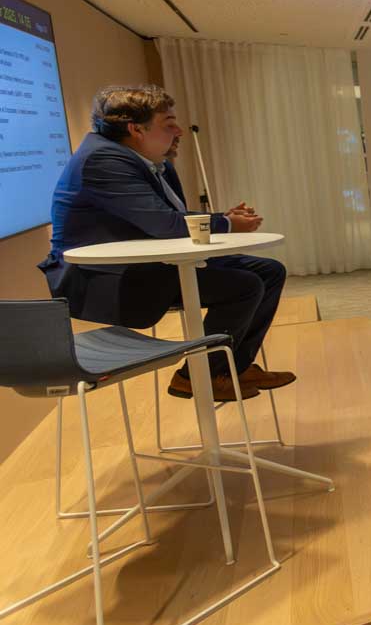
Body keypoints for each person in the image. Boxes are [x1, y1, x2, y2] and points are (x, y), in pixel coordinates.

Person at [42, 85, 290, 401]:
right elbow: (166, 225)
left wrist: (222, 218)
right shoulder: (103, 160)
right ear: (135, 129)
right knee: (243, 285)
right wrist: (227, 224)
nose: (179, 130)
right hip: (106, 279)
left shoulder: (150, 160)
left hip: (148, 266)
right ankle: (198, 376)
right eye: (168, 122)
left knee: (268, 271)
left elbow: (168, 218)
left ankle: (233, 368)